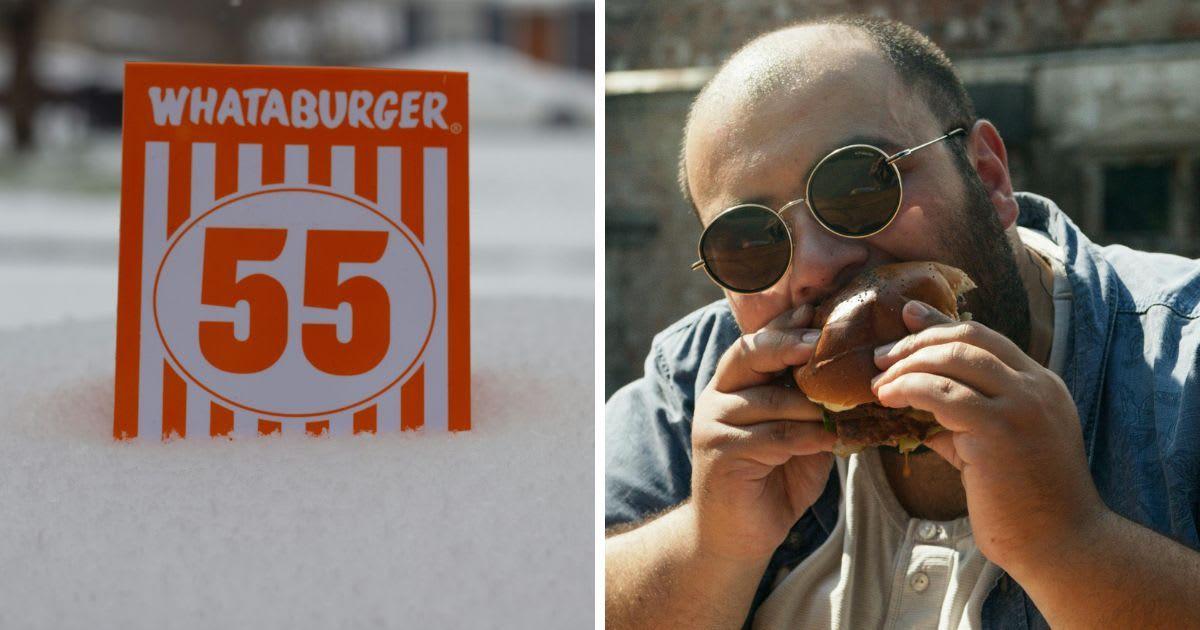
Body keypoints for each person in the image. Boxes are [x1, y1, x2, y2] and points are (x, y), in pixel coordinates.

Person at [605, 14, 1200, 630]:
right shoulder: (691, 383)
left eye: (861, 187)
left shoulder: (1184, 356)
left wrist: (1071, 542)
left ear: (989, 177)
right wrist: (710, 546)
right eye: (749, 242)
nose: (815, 265)